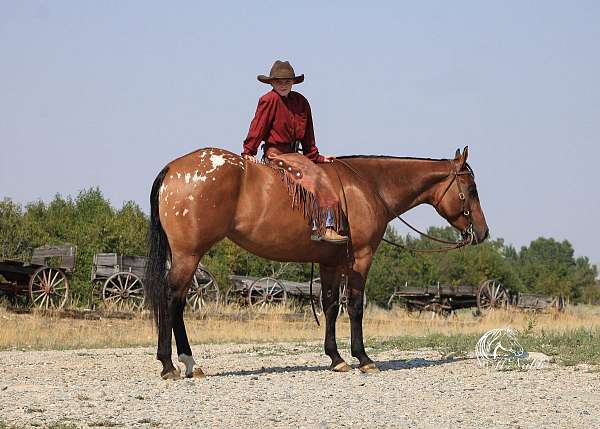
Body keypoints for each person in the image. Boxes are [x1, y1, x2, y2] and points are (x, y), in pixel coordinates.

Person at [242, 60, 347, 243]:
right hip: (276, 155)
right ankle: (324, 227)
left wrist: (316, 156)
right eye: (279, 81)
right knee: (316, 178)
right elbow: (258, 126)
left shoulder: (301, 102)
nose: (283, 85)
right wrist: (248, 151)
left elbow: (308, 134)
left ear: (293, 82)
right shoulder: (269, 100)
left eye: (287, 81)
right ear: (272, 83)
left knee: (321, 172)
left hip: (296, 155)